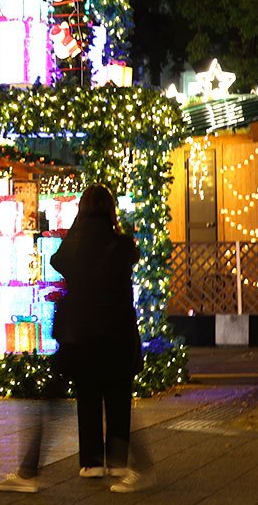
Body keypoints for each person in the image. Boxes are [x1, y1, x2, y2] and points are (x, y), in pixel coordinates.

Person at [48, 184, 152, 493]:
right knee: (118, 397)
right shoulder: (121, 245)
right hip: (117, 332)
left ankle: (91, 462)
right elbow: (132, 258)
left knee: (88, 396)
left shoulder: (73, 246)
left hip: (82, 334)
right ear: (110, 210)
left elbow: (57, 262)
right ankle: (118, 461)